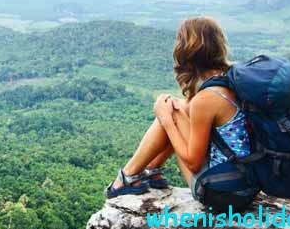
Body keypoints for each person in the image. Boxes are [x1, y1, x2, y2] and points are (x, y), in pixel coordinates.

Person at [105, 16, 251, 199]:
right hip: (245, 183)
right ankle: (151, 170)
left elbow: (193, 163)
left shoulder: (207, 99)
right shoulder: (234, 79)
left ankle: (126, 176)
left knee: (171, 112)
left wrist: (166, 120)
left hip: (221, 194)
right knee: (176, 106)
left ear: (187, 50)